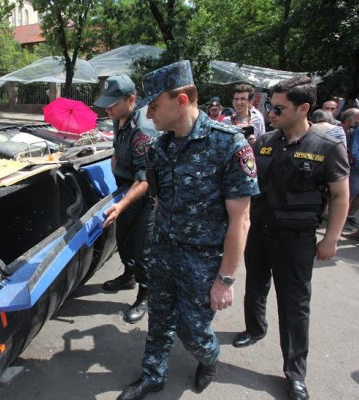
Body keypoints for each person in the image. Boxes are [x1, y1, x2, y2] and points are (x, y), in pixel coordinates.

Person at [117, 60, 259, 400]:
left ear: (181, 100)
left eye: (154, 105)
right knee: (160, 320)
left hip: (203, 261)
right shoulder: (159, 148)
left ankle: (210, 358)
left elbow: (241, 219)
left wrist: (225, 279)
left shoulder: (229, 146)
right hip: (164, 253)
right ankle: (153, 376)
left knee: (193, 332)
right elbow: (158, 201)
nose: (148, 114)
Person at [233, 77, 350, 400]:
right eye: (269, 105)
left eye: (279, 108)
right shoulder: (265, 141)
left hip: (296, 238)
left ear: (303, 108)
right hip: (260, 230)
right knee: (255, 285)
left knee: (294, 305)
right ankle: (254, 329)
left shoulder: (327, 147)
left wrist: (332, 238)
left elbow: (341, 195)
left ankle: (295, 372)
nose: (270, 112)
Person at [94, 74, 159, 324]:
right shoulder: (118, 118)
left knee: (143, 250)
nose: (108, 108)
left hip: (142, 195)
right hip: (124, 188)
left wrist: (121, 205)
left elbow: (144, 179)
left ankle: (145, 295)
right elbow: (120, 148)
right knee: (123, 239)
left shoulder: (142, 129)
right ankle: (128, 276)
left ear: (131, 99)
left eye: (113, 103)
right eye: (106, 103)